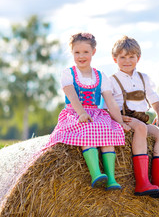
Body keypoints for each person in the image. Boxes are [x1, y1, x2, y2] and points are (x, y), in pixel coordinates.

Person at [45, 32, 130, 190]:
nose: (81, 56)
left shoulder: (100, 76)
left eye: (85, 52)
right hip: (75, 113)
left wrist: (119, 122)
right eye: (77, 52)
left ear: (93, 52)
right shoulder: (68, 74)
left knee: (107, 130)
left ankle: (111, 178)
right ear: (72, 53)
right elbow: (72, 95)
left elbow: (110, 101)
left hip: (95, 113)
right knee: (86, 128)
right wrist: (82, 113)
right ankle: (96, 174)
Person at [108, 35, 159, 198]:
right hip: (124, 118)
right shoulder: (111, 80)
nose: (127, 61)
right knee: (141, 128)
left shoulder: (144, 78)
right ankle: (142, 182)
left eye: (131, 57)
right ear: (115, 59)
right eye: (122, 57)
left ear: (138, 58)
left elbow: (154, 99)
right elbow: (108, 104)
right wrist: (119, 121)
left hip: (141, 118)